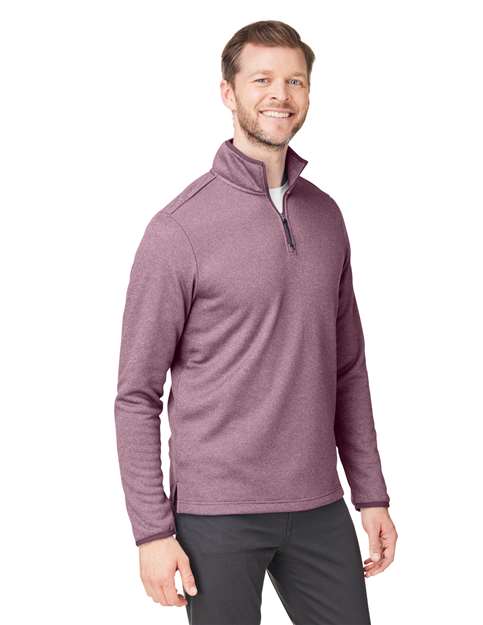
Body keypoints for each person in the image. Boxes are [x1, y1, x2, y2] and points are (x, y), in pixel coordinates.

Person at [114, 19, 398, 625]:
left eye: (295, 81)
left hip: (319, 503)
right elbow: (136, 393)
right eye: (262, 79)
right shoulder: (177, 231)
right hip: (216, 512)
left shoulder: (326, 217)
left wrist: (370, 493)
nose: (280, 95)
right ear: (228, 92)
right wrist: (151, 532)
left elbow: (348, 369)